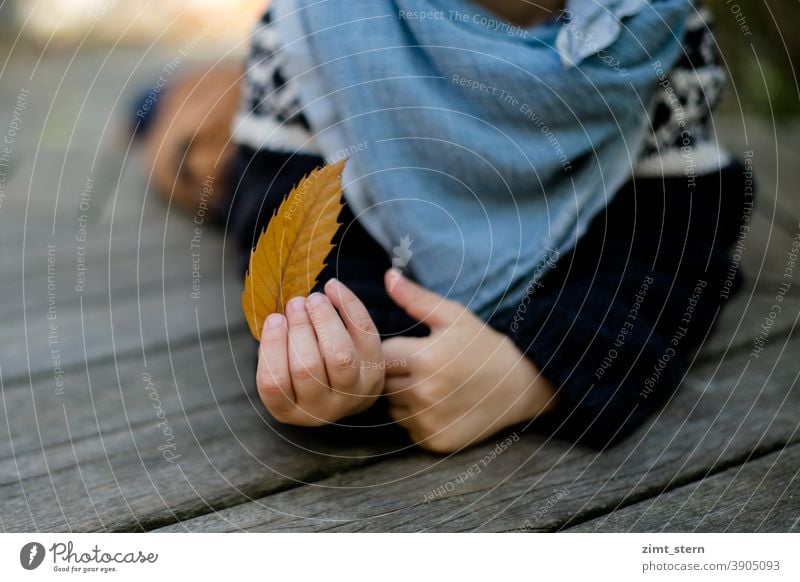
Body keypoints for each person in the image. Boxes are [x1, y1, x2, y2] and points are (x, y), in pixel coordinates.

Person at [142, 0, 750, 453]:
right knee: (179, 139)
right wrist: (344, 363)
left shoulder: (654, 32)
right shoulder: (311, 26)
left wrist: (534, 372)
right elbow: (281, 221)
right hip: (242, 129)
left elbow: (678, 248)